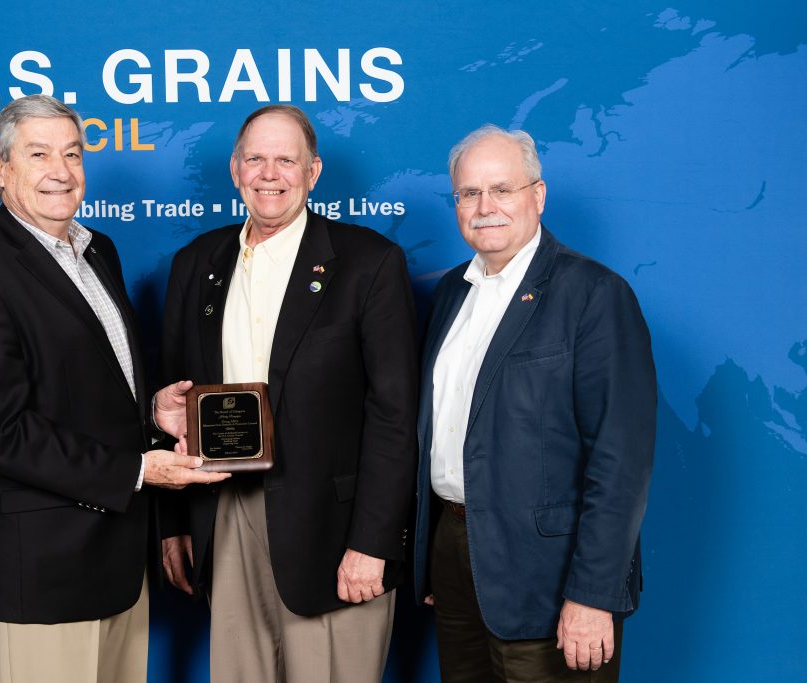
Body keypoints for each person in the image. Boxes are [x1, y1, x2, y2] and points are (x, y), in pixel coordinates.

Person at [0, 94, 228, 683]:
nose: (61, 172)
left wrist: (151, 410)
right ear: (1, 168)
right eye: (39, 154)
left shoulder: (97, 251)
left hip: (116, 562)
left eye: (72, 153)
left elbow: (82, 384)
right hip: (42, 570)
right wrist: (139, 472)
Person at [155, 104, 418, 682]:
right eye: (255, 158)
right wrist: (173, 523)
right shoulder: (195, 264)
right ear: (234, 169)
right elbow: (173, 399)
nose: (268, 174)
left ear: (313, 172)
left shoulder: (368, 263)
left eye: (285, 160)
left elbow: (395, 416)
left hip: (335, 534)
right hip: (222, 515)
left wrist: (374, 543)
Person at [413, 124, 655, 681]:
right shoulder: (452, 292)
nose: (485, 207)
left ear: (538, 196)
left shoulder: (593, 294)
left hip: (550, 576)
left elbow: (620, 463)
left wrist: (594, 595)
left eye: (503, 189)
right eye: (469, 193)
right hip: (457, 556)